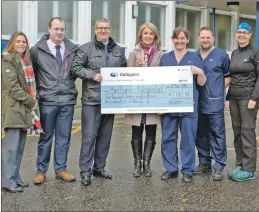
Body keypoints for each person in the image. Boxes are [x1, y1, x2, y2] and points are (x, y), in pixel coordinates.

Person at [71, 18, 127, 186]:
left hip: (111, 101)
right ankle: (85, 171)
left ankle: (99, 168)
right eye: (100, 28)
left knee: (105, 137)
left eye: (107, 28)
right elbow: (75, 68)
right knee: (89, 137)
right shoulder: (85, 49)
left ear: (110, 30)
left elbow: (124, 71)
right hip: (91, 100)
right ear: (95, 30)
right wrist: (92, 75)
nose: (104, 30)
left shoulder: (117, 50)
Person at [30, 17, 78, 185]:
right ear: (49, 29)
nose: (59, 32)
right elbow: (30, 72)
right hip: (47, 100)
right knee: (45, 138)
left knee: (64, 137)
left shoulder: (73, 50)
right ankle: (41, 171)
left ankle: (60, 170)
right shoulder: (36, 50)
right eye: (56, 29)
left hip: (67, 100)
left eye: (62, 29)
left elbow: (80, 68)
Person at [159, 27, 206, 182]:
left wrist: (200, 72)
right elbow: (158, 83)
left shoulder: (194, 57)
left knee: (188, 139)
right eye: (177, 38)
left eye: (183, 38)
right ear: (173, 40)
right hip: (168, 106)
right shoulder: (165, 58)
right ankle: (171, 169)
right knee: (168, 138)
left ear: (187, 40)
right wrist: (158, 105)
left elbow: (201, 83)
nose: (179, 41)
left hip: (188, 106)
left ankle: (187, 170)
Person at [1, 32, 43, 192]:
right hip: (14, 107)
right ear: (12, 43)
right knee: (10, 148)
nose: (21, 44)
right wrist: (32, 101)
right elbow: (13, 87)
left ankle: (15, 178)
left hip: (24, 108)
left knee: (19, 147)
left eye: (24, 41)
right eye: (18, 41)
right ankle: (8, 181)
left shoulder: (25, 60)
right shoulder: (7, 60)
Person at [225, 22, 259, 181]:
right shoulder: (234, 53)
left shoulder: (256, 52)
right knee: (237, 132)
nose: (241, 35)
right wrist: (228, 97)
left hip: (248, 98)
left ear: (249, 35)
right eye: (239, 32)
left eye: (244, 32)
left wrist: (254, 98)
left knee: (247, 132)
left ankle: (249, 170)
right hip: (234, 97)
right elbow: (232, 76)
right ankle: (240, 164)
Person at [124, 22, 164, 177]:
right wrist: (137, 69)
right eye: (145, 33)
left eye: (151, 33)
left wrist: (147, 69)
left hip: (153, 97)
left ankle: (146, 163)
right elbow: (127, 75)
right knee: (136, 129)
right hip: (137, 97)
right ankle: (137, 163)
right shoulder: (134, 53)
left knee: (151, 129)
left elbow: (162, 76)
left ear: (155, 36)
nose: (148, 36)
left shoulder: (161, 54)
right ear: (141, 35)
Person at [194, 27, 231, 181]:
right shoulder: (194, 55)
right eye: (202, 37)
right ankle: (204, 162)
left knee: (217, 133)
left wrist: (217, 90)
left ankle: (219, 165)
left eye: (208, 37)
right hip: (197, 102)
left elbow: (229, 76)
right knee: (200, 133)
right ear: (198, 39)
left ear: (213, 38)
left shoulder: (221, 55)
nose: (205, 40)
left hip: (214, 102)